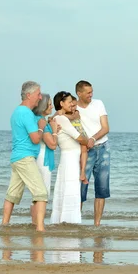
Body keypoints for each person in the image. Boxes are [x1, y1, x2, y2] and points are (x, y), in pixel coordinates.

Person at [2, 81, 49, 232]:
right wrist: (41, 127)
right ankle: (40, 228)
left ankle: (4, 225)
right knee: (41, 193)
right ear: (29, 95)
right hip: (25, 158)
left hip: (16, 158)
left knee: (12, 194)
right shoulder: (26, 113)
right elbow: (35, 138)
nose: (40, 97)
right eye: (38, 94)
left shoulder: (17, 112)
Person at [50, 91, 89, 224]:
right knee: (71, 189)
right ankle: (69, 222)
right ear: (61, 104)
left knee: (67, 189)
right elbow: (78, 137)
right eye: (69, 102)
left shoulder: (60, 118)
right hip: (70, 159)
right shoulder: (61, 119)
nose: (72, 104)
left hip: (69, 158)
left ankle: (64, 222)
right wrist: (87, 140)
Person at [75, 80, 110, 227]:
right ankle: (76, 223)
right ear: (79, 93)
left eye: (92, 92)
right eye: (88, 92)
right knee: (81, 189)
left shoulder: (98, 103)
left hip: (102, 148)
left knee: (102, 188)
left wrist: (93, 138)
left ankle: (97, 225)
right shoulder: (74, 108)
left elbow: (105, 127)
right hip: (84, 151)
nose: (91, 95)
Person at [31, 94, 59, 222]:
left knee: (38, 193)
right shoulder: (41, 122)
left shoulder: (40, 120)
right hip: (43, 159)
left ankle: (36, 223)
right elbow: (52, 145)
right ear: (43, 107)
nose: (52, 106)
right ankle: (38, 224)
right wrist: (54, 131)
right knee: (43, 192)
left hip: (39, 157)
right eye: (49, 104)